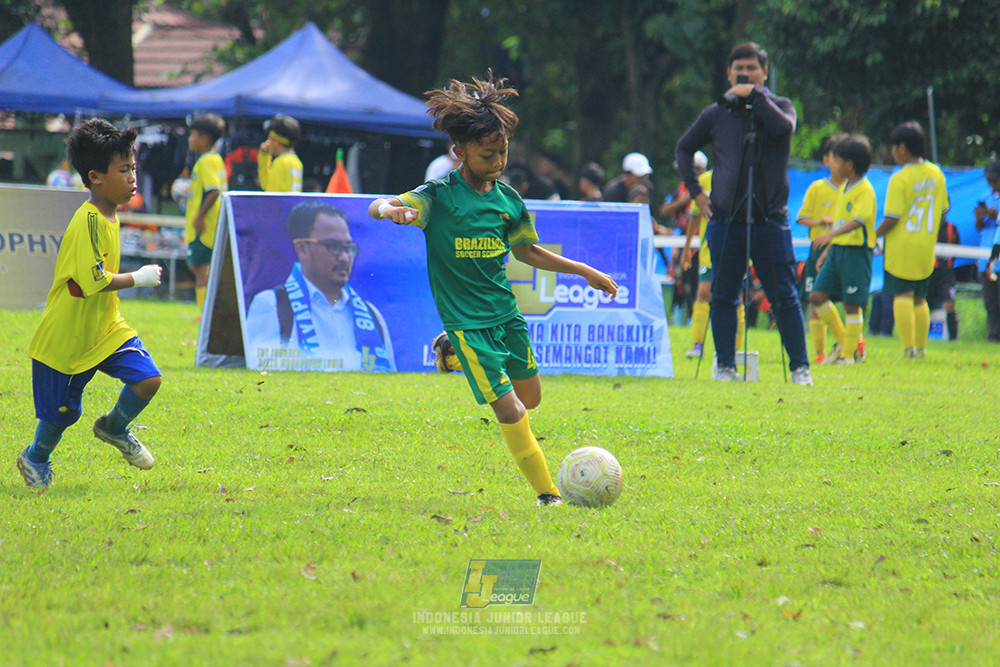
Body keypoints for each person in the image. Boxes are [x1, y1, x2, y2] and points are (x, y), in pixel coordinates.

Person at [367, 72, 618, 506]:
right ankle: (548, 496)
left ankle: (451, 355)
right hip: (467, 322)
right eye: (487, 154)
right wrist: (390, 210)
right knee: (512, 411)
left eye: (503, 151)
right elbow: (380, 204)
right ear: (459, 152)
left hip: (506, 314)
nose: (498, 161)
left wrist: (582, 271)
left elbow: (526, 252)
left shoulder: (508, 200)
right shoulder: (438, 196)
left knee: (531, 398)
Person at [16, 119, 163, 488]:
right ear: (95, 177)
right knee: (62, 414)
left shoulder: (110, 216)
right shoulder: (89, 220)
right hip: (68, 336)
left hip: (106, 328)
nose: (133, 178)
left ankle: (114, 428)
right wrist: (139, 277)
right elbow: (92, 281)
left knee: (148, 379)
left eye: (133, 168)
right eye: (124, 170)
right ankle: (35, 458)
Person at [675, 41, 812, 384]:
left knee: (784, 296)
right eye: (739, 69)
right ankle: (725, 367)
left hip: (770, 220)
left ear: (764, 72)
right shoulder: (716, 113)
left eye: (752, 69)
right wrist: (696, 192)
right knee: (723, 295)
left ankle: (800, 368)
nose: (745, 74)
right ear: (728, 73)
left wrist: (756, 97)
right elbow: (684, 147)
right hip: (725, 220)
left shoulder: (781, 106)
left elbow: (783, 129)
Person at [245, 201, 395, 372]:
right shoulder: (273, 305)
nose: (345, 258)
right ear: (302, 249)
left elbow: (389, 381)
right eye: (333, 246)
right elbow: (260, 377)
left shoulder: (371, 315)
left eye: (348, 248)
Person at [875, 121, 950, 358]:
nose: (893, 152)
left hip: (902, 246)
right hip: (926, 246)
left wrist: (873, 235)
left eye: (894, 147)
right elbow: (944, 210)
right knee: (920, 298)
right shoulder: (936, 173)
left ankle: (908, 349)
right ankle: (921, 349)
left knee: (902, 295)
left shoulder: (900, 177)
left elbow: (892, 217)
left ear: (902, 148)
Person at [808, 134, 878, 366]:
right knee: (816, 296)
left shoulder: (864, 189)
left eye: (837, 160)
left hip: (856, 252)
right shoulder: (844, 188)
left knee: (852, 304)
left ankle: (848, 356)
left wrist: (829, 236)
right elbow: (842, 222)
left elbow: (859, 220)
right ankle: (844, 341)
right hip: (837, 251)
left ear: (849, 164)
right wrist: (828, 250)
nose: (834, 165)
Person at [679, 163, 748, 359]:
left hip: (738, 246)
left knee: (736, 296)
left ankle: (735, 350)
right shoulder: (705, 180)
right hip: (709, 249)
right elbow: (695, 215)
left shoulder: (745, 176)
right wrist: (687, 248)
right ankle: (698, 345)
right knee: (703, 292)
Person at [797, 134, 846, 363]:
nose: (840, 163)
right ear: (827, 159)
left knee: (850, 302)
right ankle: (820, 353)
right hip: (818, 248)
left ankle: (850, 344)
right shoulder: (817, 187)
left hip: (844, 249)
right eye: (836, 157)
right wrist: (819, 222)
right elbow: (801, 218)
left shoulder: (854, 189)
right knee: (814, 299)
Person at [184, 114, 228, 315]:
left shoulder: (206, 160)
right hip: (212, 224)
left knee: (200, 267)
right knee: (200, 266)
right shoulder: (216, 158)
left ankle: (205, 314)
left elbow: (214, 191)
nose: (189, 139)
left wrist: (199, 216)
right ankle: (209, 312)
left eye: (192, 135)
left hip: (205, 226)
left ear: (204, 138)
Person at [974, 162, 1000, 342]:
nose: (992, 184)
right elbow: (979, 227)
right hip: (986, 257)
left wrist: (995, 215)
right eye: (989, 180)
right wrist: (980, 217)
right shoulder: (985, 198)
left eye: (995, 180)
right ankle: (993, 336)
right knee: (990, 302)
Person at [928, 218, 961, 340]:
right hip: (928, 272)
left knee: (949, 305)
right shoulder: (927, 226)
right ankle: (919, 336)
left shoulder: (952, 229)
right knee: (923, 304)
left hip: (946, 274)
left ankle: (953, 339)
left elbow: (956, 250)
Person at [258, 114, 303, 193]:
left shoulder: (280, 162)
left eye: (270, 138)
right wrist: (264, 155)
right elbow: (267, 184)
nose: (268, 142)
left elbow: (271, 193)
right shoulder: (296, 162)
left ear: (276, 141)